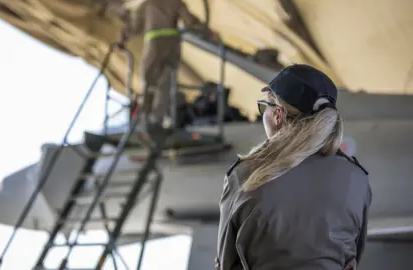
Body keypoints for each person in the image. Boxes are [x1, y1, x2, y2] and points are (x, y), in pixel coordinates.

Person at [216, 64, 372, 270]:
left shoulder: (245, 175)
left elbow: (226, 263)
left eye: (265, 107)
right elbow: (353, 259)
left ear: (278, 115)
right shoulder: (357, 179)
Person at [118, 0, 218, 138]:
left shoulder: (147, 4)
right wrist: (208, 32)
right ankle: (156, 119)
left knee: (149, 81)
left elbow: (134, 27)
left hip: (154, 43)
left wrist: (121, 40)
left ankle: (145, 120)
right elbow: (191, 21)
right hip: (173, 45)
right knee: (165, 83)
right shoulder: (176, 2)